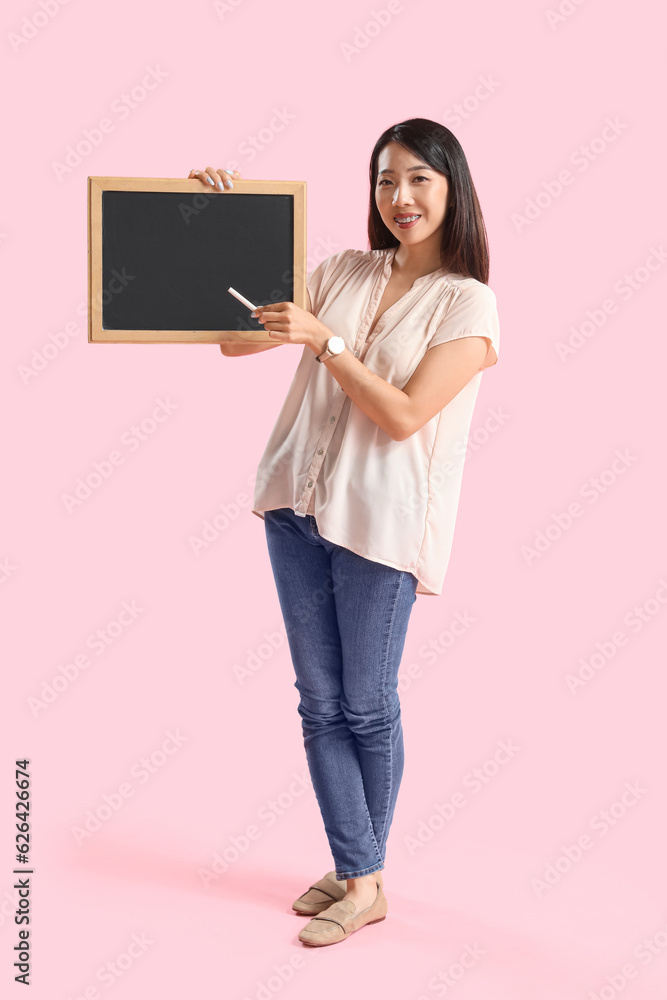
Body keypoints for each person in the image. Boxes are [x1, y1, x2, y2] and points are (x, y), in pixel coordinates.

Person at [188, 117, 500, 947]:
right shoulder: (340, 272)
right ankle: (356, 864)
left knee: (364, 707)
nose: (398, 197)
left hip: (378, 525)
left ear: (451, 187)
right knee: (318, 704)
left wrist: (325, 341)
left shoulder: (468, 302)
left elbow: (402, 417)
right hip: (296, 505)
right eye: (384, 180)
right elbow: (232, 340)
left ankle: (364, 880)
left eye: (418, 180)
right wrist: (221, 225)